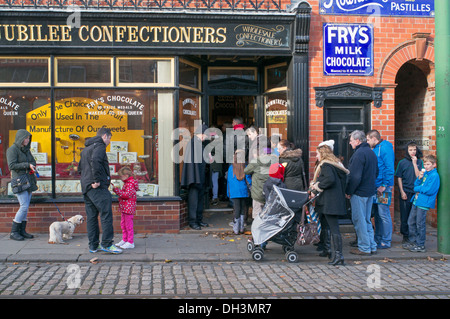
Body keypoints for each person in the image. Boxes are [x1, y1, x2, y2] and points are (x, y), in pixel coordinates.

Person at [79, 127, 122, 254]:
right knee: (106, 214)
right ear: (105, 136)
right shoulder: (99, 146)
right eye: (109, 138)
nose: (109, 141)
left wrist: (88, 181)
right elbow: (96, 161)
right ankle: (107, 244)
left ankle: (93, 246)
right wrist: (96, 180)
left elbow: (80, 168)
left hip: (86, 187)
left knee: (92, 217)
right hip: (97, 187)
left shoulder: (86, 148)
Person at [309, 141, 349, 266]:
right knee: (327, 226)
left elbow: (329, 180)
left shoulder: (326, 165)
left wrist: (317, 186)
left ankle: (339, 255)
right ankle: (328, 250)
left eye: (317, 154)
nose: (316, 156)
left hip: (330, 202)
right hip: (332, 202)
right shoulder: (335, 165)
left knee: (334, 229)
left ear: (322, 154)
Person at [345, 130, 378, 256]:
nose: (350, 143)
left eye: (351, 140)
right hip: (370, 191)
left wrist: (349, 191)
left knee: (360, 220)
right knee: (367, 220)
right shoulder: (371, 153)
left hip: (359, 192)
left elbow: (355, 177)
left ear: (358, 141)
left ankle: (364, 247)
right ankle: (372, 245)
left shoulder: (359, 154)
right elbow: (376, 172)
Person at [403, 154, 440, 253]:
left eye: (428, 164)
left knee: (420, 224)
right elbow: (415, 184)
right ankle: (413, 241)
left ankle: (420, 245)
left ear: (434, 165)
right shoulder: (425, 174)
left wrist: (417, 189)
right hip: (416, 200)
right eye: (425, 164)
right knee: (411, 221)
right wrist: (419, 178)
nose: (426, 166)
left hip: (424, 202)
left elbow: (429, 190)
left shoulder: (434, 176)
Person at [6, 129, 38, 241]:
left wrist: (32, 165)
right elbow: (12, 165)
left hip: (28, 180)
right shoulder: (12, 150)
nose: (27, 140)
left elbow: (33, 161)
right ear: (20, 138)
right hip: (19, 181)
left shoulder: (26, 150)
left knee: (26, 207)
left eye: (28, 138)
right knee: (24, 206)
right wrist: (27, 165)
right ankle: (14, 232)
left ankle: (22, 231)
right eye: (26, 138)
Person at [366, 130, 395, 249]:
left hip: (383, 187)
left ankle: (386, 241)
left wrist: (384, 184)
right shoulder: (376, 148)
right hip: (376, 186)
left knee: (383, 214)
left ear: (374, 138)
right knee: (377, 214)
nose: (367, 142)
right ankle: (378, 238)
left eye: (368, 140)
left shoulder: (385, 148)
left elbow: (389, 167)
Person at [181, 123, 209, 230]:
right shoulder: (193, 143)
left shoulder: (198, 144)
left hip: (199, 176)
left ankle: (198, 219)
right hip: (195, 177)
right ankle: (193, 221)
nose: (206, 138)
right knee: (194, 200)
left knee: (199, 199)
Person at [395, 141, 423, 243]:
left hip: (415, 192)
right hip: (406, 191)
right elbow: (399, 177)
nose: (413, 152)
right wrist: (402, 191)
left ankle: (414, 235)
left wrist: (415, 163)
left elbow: (419, 176)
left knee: (414, 215)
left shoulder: (420, 162)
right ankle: (405, 235)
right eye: (410, 150)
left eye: (414, 150)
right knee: (405, 215)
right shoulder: (402, 163)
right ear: (407, 150)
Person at [244, 143, 278, 219]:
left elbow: (246, 171)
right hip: (271, 192)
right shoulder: (275, 160)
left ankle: (257, 230)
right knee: (269, 215)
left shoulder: (256, 161)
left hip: (257, 193)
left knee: (257, 215)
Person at [113, 166, 139, 249]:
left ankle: (130, 242)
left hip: (128, 207)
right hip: (125, 207)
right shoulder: (127, 183)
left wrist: (116, 190)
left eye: (121, 176)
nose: (120, 178)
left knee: (128, 225)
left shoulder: (130, 184)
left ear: (126, 175)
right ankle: (125, 239)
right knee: (123, 224)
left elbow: (126, 195)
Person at [227, 150, 250, 234]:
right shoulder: (245, 166)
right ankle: (241, 227)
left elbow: (229, 181)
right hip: (243, 191)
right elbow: (248, 179)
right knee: (243, 209)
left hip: (234, 192)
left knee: (236, 209)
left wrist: (228, 193)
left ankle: (236, 228)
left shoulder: (231, 168)